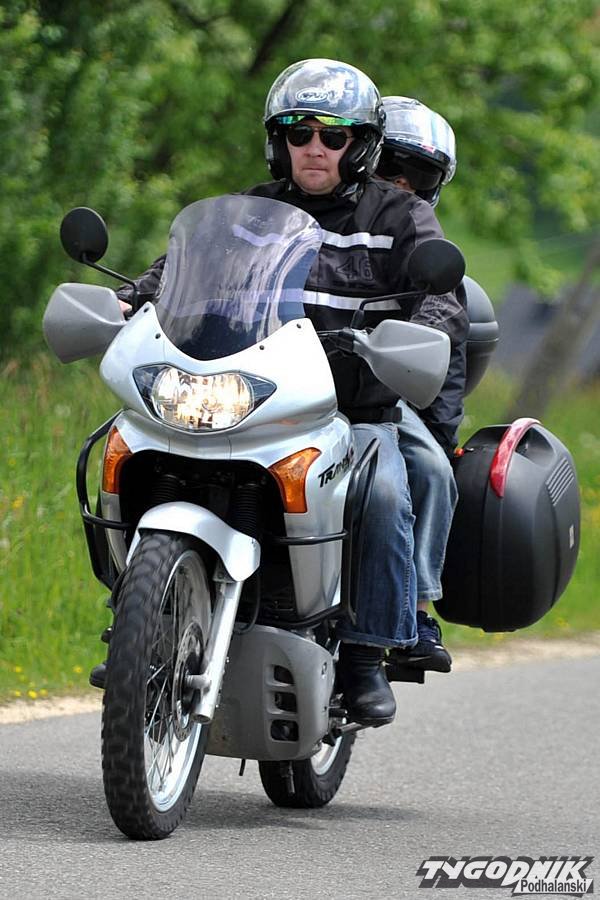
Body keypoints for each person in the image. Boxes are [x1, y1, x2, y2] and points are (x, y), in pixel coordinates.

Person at [108, 60, 469, 726]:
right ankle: (134, 622)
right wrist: (130, 300)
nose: (314, 147)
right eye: (298, 132)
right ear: (279, 142)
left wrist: (419, 332)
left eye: (333, 135)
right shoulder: (249, 211)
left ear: (360, 145)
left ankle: (365, 652)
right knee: (125, 447)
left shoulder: (402, 215)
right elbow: (179, 269)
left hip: (351, 408)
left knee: (383, 491)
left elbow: (442, 298)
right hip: (256, 395)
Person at [376, 96, 465, 673]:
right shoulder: (304, 211)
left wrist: (439, 433)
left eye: (418, 174)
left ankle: (415, 609)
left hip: (371, 383)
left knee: (429, 468)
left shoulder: (421, 238)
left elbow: (445, 330)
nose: (400, 182)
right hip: (278, 370)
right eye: (389, 164)